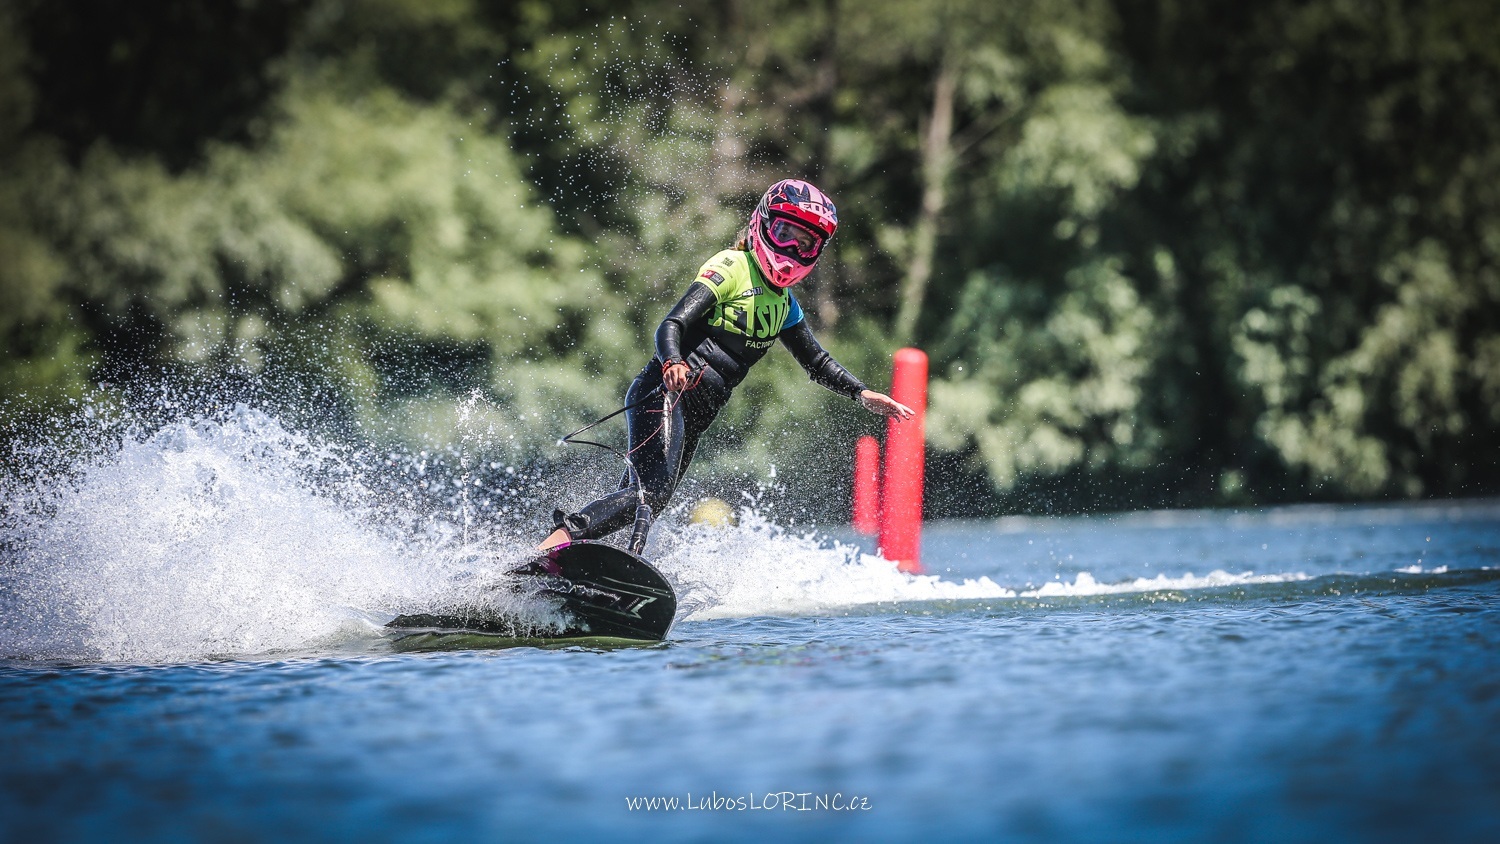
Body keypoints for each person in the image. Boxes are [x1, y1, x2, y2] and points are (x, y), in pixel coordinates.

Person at [539, 178, 913, 550]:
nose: (791, 250)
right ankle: (553, 546)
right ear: (762, 224)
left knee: (646, 498)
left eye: (805, 244)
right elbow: (672, 324)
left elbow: (817, 362)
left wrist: (861, 393)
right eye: (784, 234)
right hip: (663, 393)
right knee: (648, 493)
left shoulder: (785, 305)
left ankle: (590, 563)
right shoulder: (733, 267)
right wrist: (672, 362)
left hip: (696, 416)